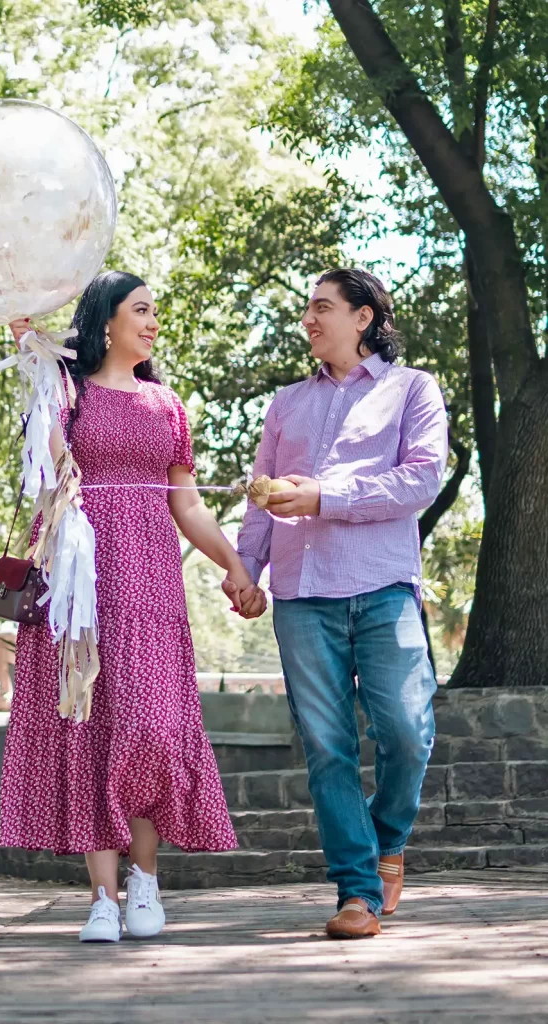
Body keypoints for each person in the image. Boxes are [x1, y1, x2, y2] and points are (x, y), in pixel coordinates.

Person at [0, 270, 263, 943]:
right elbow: (50, 468)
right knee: (88, 728)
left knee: (151, 728)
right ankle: (102, 898)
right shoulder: (68, 393)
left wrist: (234, 564)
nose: (152, 323)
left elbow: (188, 504)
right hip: (79, 582)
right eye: (140, 310)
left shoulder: (166, 405)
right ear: (106, 321)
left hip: (150, 584)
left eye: (154, 312)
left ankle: (145, 880)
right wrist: (38, 366)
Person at [227, 268, 448, 939]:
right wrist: (246, 570)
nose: (309, 319)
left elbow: (421, 480)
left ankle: (387, 842)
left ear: (363, 317)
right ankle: (358, 892)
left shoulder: (413, 389)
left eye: (322, 306)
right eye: (308, 308)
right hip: (301, 595)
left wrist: (325, 497)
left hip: (384, 589)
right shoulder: (286, 404)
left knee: (407, 732)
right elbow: (260, 498)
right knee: (328, 747)